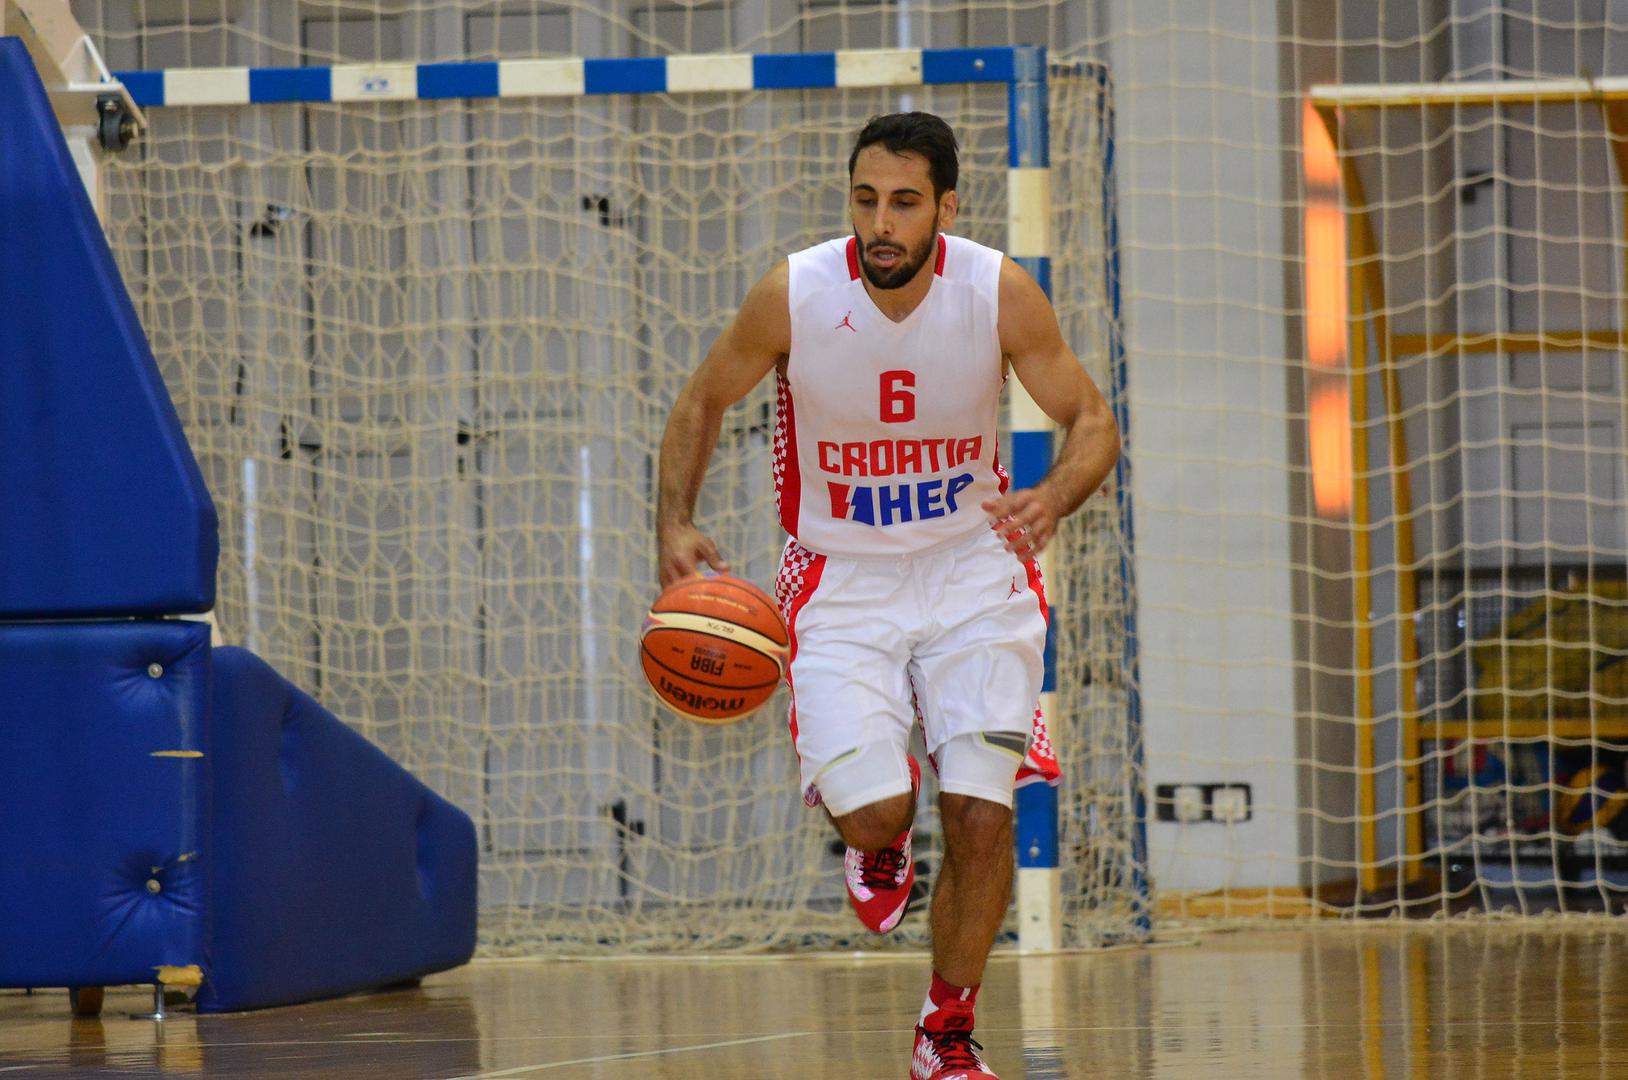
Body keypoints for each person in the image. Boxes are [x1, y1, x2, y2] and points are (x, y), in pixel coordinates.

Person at [655, 111, 1120, 1080]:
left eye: (904, 202)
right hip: (840, 578)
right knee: (874, 812)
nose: (879, 222)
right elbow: (702, 399)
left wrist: (1052, 497)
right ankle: (877, 840)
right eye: (865, 199)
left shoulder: (995, 291)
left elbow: (1091, 419)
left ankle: (944, 1034)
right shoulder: (794, 293)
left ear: (945, 208)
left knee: (982, 814)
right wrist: (673, 521)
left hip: (972, 569)